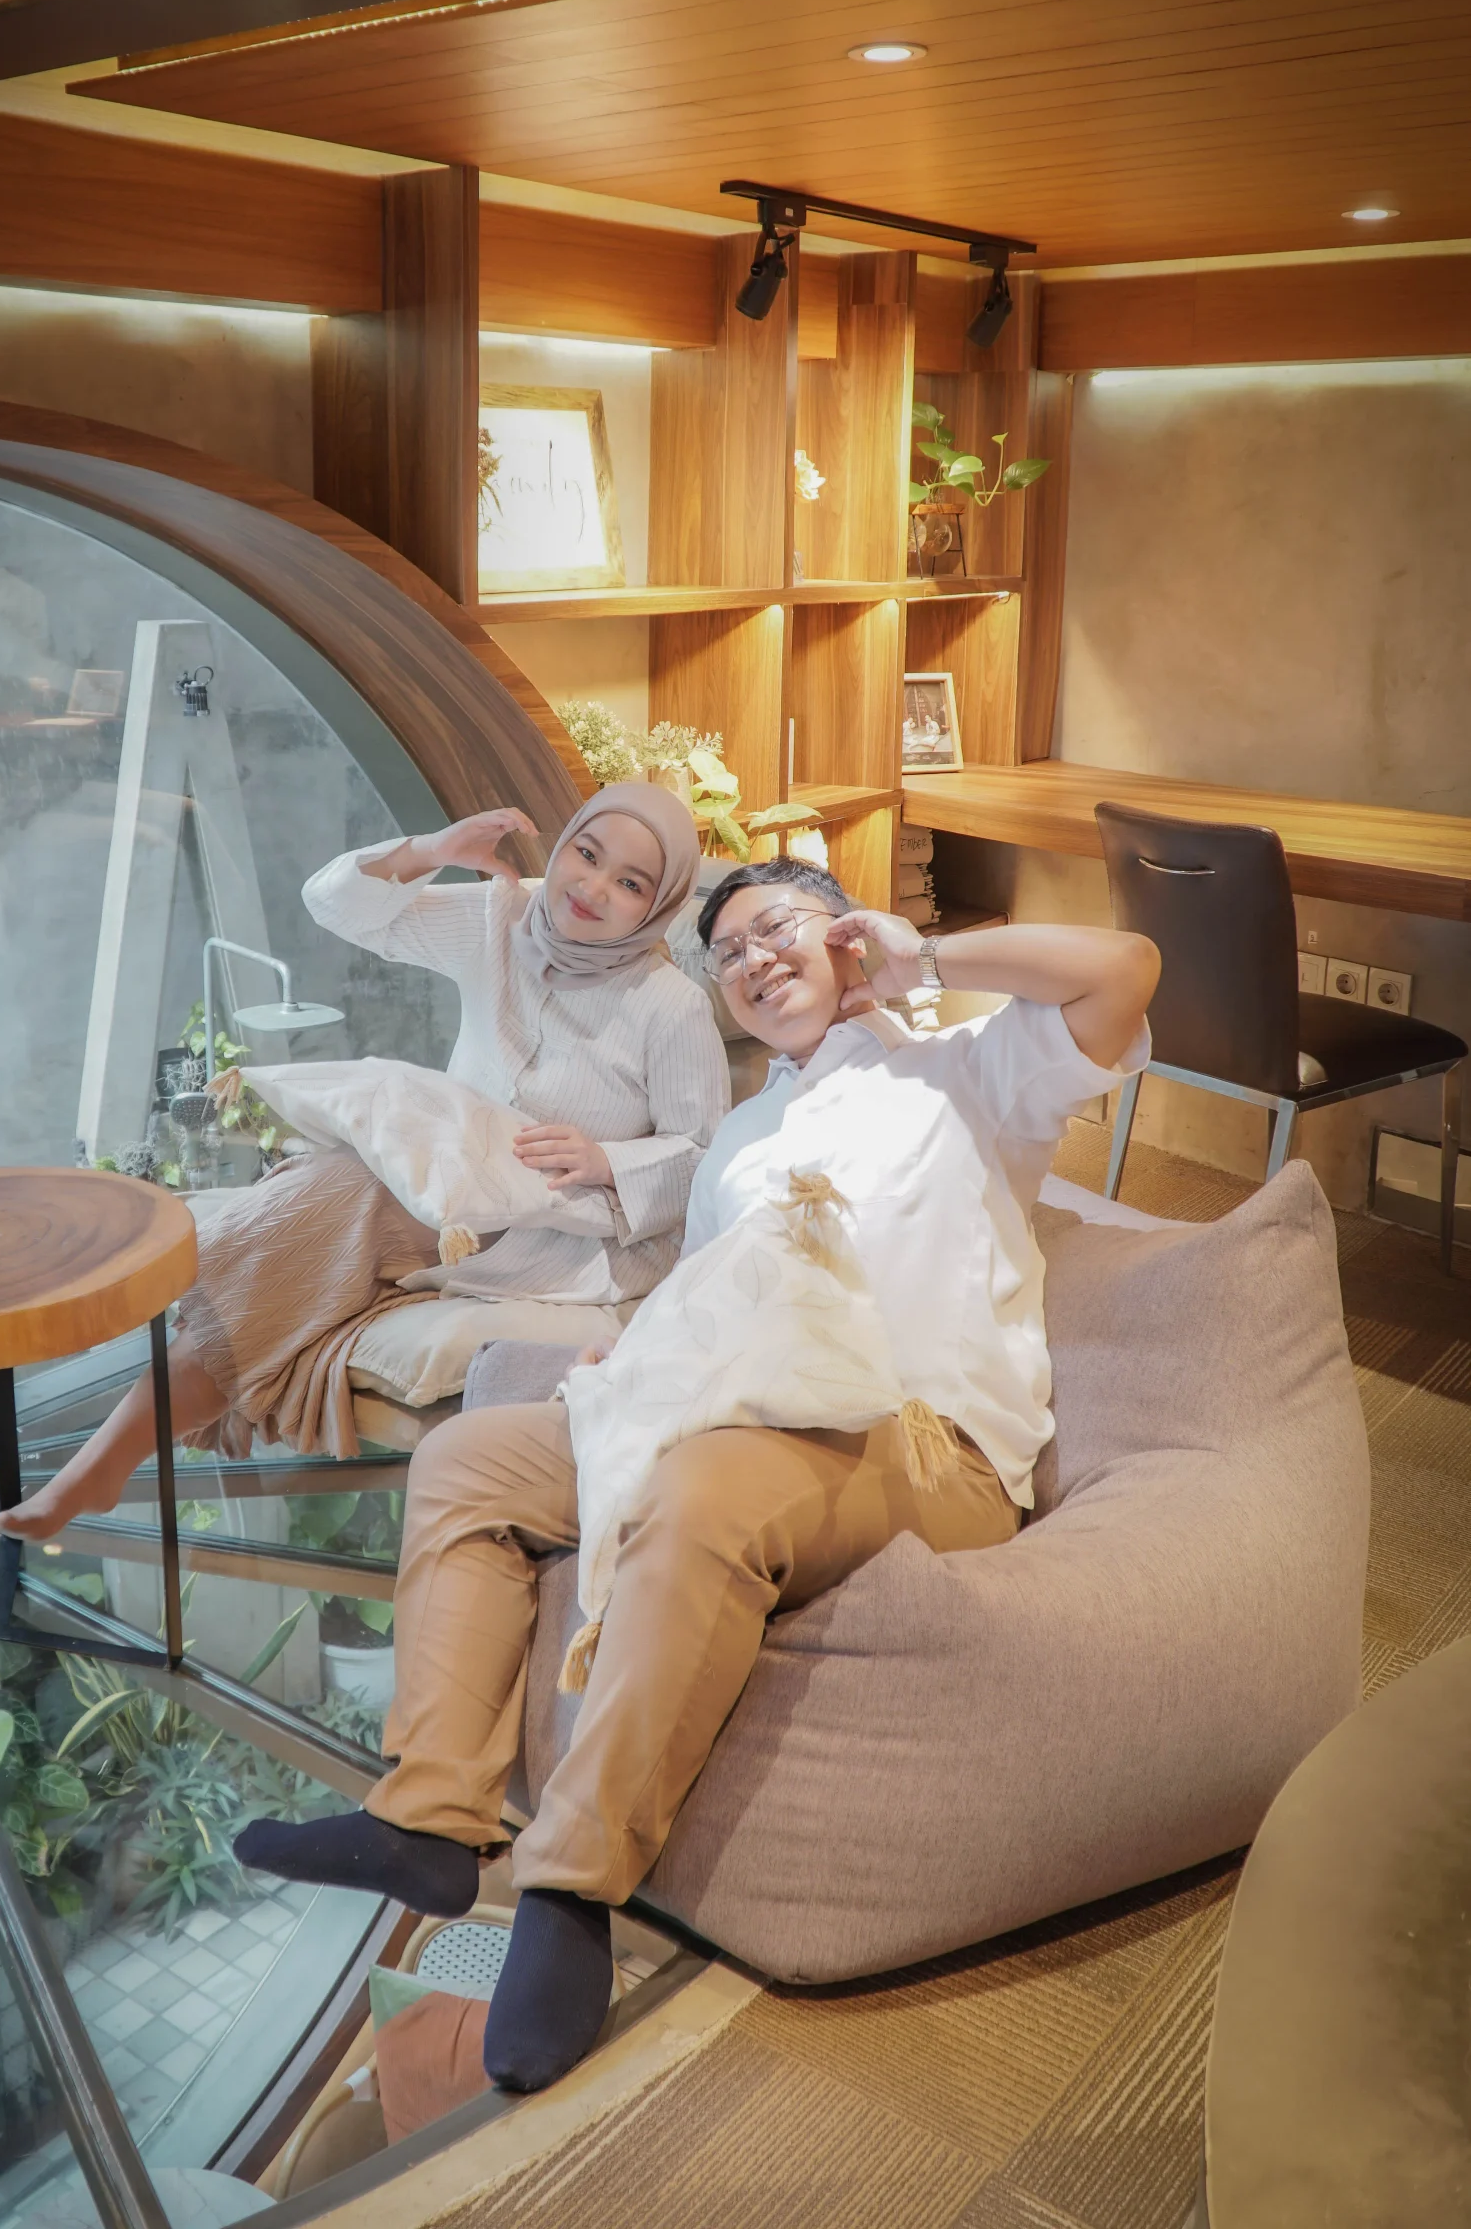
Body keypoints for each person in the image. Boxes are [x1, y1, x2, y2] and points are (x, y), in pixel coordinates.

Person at [233, 857, 1159, 2095]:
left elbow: (1126, 970)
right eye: (727, 953)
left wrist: (925, 957)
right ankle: (427, 1818)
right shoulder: (742, 1138)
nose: (752, 960)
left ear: (845, 934)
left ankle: (571, 1889)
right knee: (465, 1460)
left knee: (702, 1491)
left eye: (777, 928)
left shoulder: (968, 1068)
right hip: (727, 1402)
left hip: (917, 1439)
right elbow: (706, 1297)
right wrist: (629, 1355)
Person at [0, 783, 728, 1541]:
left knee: (319, 1206)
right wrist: (431, 851)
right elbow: (334, 903)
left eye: (630, 883)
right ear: (563, 844)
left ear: (659, 904)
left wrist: (606, 1158)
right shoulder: (502, 916)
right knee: (311, 1208)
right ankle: (104, 1459)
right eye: (587, 854)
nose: (592, 888)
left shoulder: (669, 1005)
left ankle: (101, 1445)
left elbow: (706, 1155)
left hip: (550, 1224)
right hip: (428, 1174)